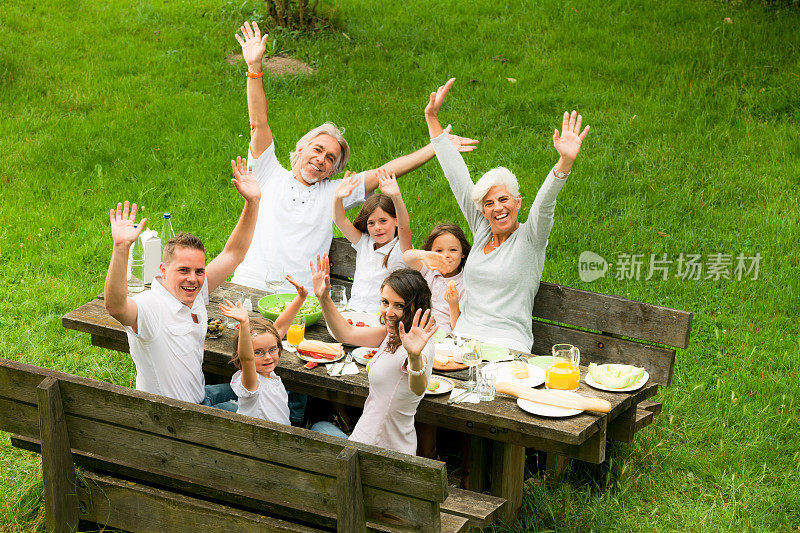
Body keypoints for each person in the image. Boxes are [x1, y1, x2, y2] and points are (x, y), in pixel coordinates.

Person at [229, 21, 478, 291]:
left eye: (330, 159)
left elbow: (388, 169)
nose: (321, 159)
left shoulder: (334, 192)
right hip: (249, 285)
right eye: (317, 149)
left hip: (299, 298)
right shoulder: (268, 173)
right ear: (301, 149)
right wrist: (254, 68)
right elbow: (259, 122)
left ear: (333, 170)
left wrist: (438, 145)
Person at [424, 78, 590, 352]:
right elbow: (457, 177)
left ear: (518, 202)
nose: (497, 208)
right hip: (463, 341)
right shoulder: (482, 231)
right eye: (489, 203)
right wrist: (432, 118)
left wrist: (565, 162)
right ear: (483, 210)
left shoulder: (531, 238)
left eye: (504, 199)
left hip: (507, 347)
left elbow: (545, 202)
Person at [103, 157, 260, 410]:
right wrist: (121, 248)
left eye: (199, 270)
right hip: (178, 420)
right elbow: (116, 307)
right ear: (163, 270)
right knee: (261, 412)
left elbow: (234, 253)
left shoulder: (194, 292)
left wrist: (252, 202)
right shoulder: (150, 307)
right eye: (183, 270)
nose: (193, 278)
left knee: (261, 387)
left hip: (200, 397)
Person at [308, 255, 437, 456]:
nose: (389, 312)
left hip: (377, 451)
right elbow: (346, 334)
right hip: (367, 438)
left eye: (399, 305)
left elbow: (418, 387)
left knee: (313, 432)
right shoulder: (392, 333)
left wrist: (414, 356)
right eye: (385, 302)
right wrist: (323, 297)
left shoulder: (418, 346)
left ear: (416, 307)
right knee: (319, 426)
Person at [218, 275, 306, 423]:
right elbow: (247, 359)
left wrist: (300, 298)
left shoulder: (268, 371)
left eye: (273, 349)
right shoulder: (252, 383)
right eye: (258, 352)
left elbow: (280, 327)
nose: (268, 357)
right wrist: (244, 324)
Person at [333, 169, 412, 313]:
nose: (378, 228)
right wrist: (337, 197)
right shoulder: (364, 242)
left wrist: (396, 197)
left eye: (383, 221)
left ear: (395, 221)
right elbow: (340, 219)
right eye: (371, 223)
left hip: (382, 317)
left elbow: (405, 227)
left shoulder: (401, 248)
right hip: (353, 312)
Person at [402, 223, 471, 334]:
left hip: (442, 335)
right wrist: (424, 255)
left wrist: (453, 304)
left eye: (453, 250)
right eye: (439, 251)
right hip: (415, 328)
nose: (446, 255)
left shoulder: (465, 284)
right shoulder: (429, 270)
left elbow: (457, 328)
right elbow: (406, 257)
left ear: (463, 253)